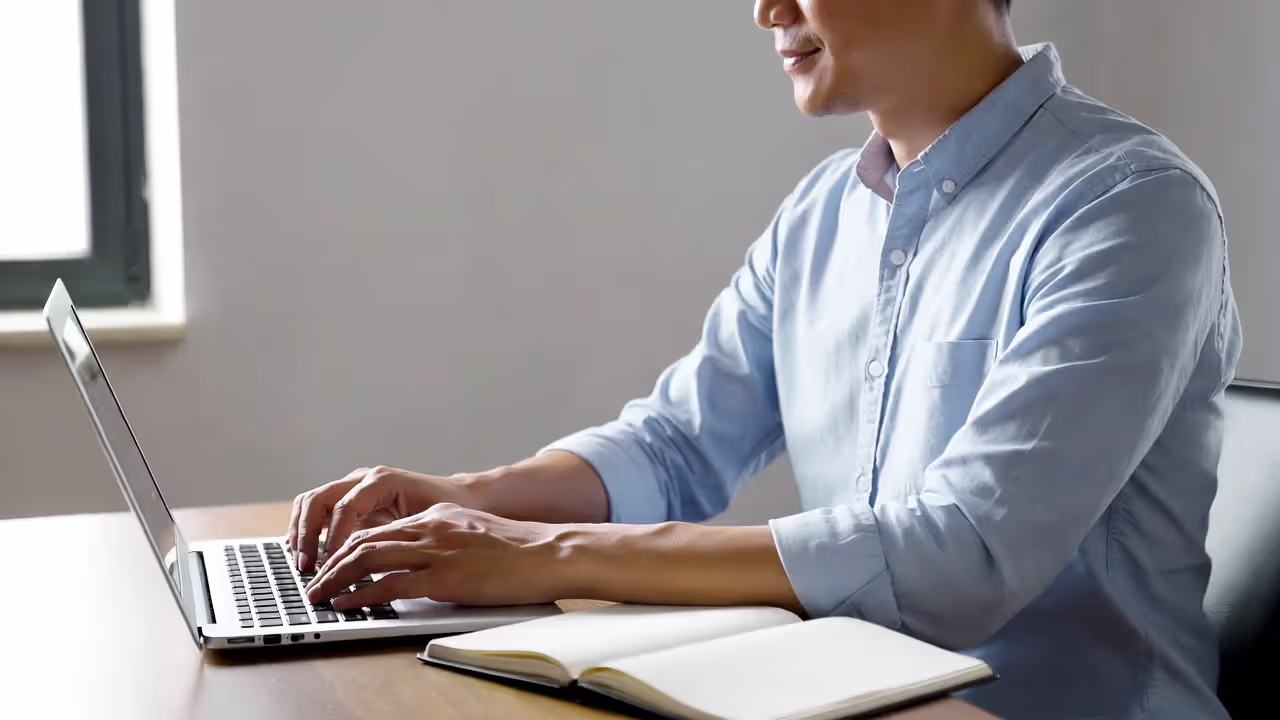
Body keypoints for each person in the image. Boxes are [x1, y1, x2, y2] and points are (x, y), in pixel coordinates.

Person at [288, 1, 1242, 717]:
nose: (765, 9)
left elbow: (963, 556)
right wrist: (462, 499)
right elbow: (676, 446)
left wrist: (539, 553)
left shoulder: (1127, 207)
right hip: (850, 699)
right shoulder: (826, 210)